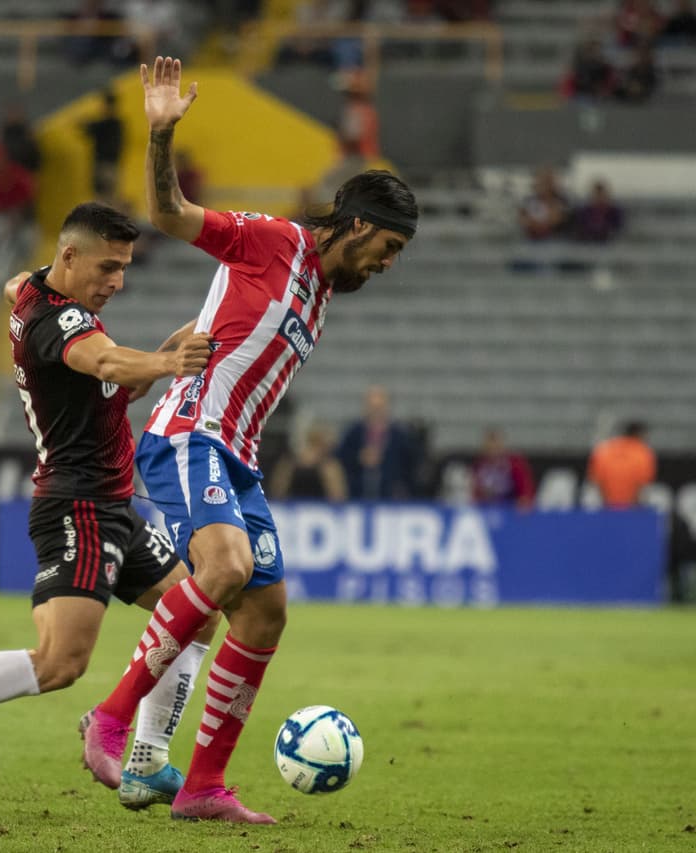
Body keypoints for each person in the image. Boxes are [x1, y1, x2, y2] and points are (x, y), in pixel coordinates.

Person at [80, 56, 417, 824]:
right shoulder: (270, 242)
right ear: (357, 224)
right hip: (191, 436)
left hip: (237, 458)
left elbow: (213, 325)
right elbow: (168, 212)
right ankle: (108, 716)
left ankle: (202, 786)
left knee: (266, 614)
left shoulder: (322, 292)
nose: (390, 264)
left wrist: (166, 354)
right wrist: (162, 134)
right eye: (388, 247)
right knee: (226, 565)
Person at [0, 201, 221, 810]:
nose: (118, 281)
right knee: (60, 663)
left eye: (124, 268)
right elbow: (103, 361)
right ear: (71, 256)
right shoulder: (59, 324)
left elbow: (108, 376)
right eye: (108, 267)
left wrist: (159, 354)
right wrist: (166, 361)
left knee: (198, 614)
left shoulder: (37, 292)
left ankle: (148, 760)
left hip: (113, 506)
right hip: (76, 506)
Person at [336, 385, 419, 500]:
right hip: (356, 494)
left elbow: (410, 465)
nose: (376, 412)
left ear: (387, 407)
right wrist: (359, 458)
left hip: (391, 497)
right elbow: (340, 458)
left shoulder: (400, 435)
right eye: (372, 407)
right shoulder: (353, 433)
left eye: (379, 407)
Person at [267, 423, 348, 501]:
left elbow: (339, 497)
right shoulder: (289, 463)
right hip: (291, 507)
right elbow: (276, 493)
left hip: (322, 508)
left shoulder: (330, 466)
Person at [586, 420, 656, 507]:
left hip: (606, 507)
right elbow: (643, 485)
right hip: (631, 507)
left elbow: (596, 481)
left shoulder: (604, 449)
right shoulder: (643, 452)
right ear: (639, 434)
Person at [469, 427, 534, 508]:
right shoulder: (478, 466)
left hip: (511, 508)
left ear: (502, 445)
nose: (493, 448)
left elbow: (526, 490)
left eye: (496, 445)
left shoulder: (515, 464)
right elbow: (474, 492)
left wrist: (524, 500)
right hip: (486, 508)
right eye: (489, 446)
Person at [84, 89, 124, 203]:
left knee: (104, 198)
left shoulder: (109, 123)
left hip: (105, 165)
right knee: (106, 197)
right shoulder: (117, 124)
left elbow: (90, 128)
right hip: (111, 166)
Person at [571, 179, 625, 243]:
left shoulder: (614, 212)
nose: (599, 198)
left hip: (607, 240)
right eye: (596, 195)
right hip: (587, 241)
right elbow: (579, 227)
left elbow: (618, 229)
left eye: (601, 195)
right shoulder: (584, 211)